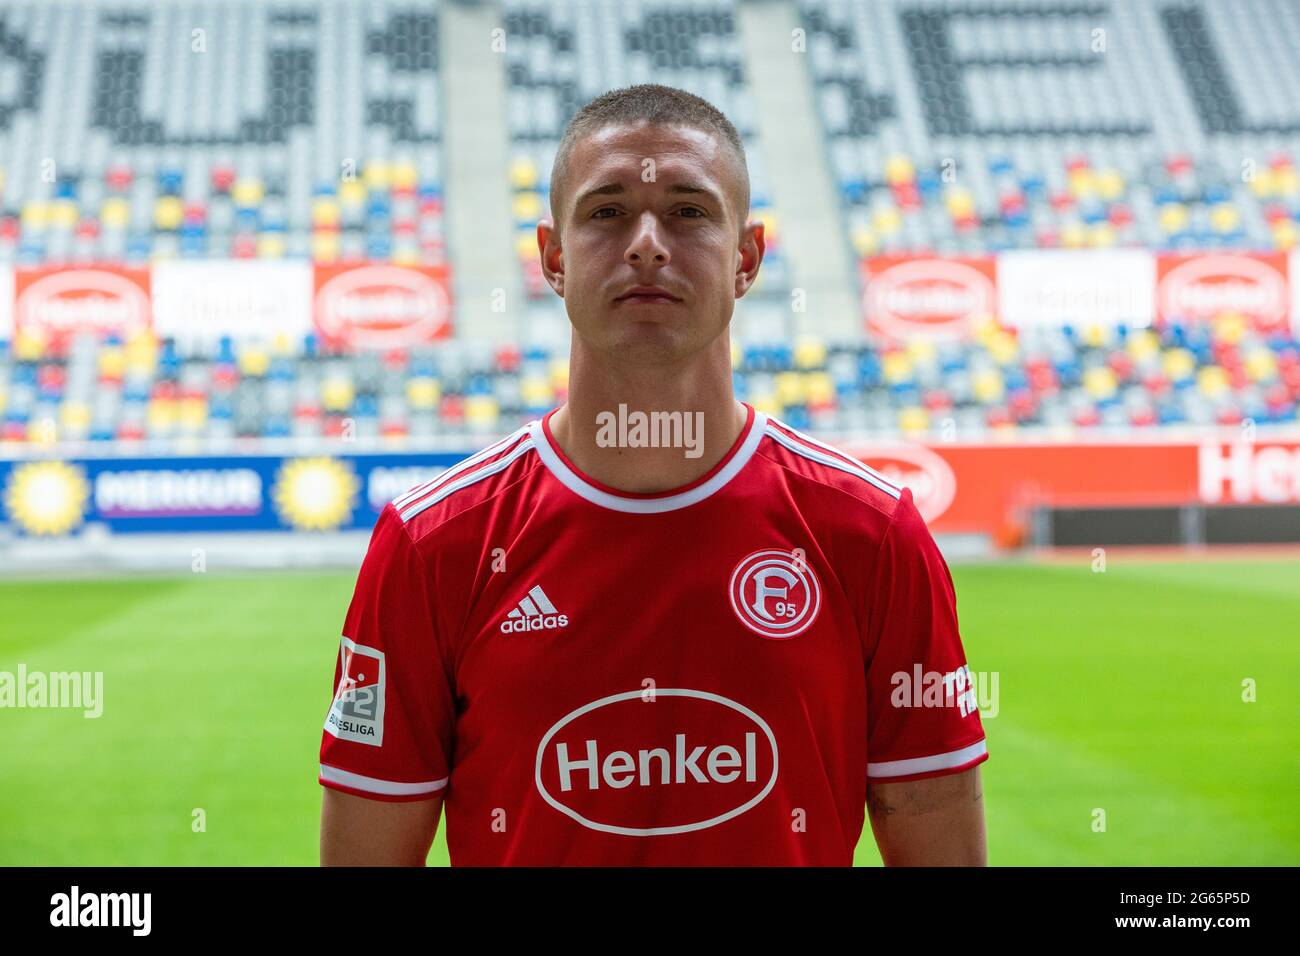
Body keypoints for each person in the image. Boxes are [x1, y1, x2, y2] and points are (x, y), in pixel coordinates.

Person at [319, 83, 987, 866]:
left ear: (747, 257)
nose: (646, 243)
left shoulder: (871, 534)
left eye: (688, 210)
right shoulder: (433, 545)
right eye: (605, 212)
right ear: (553, 259)